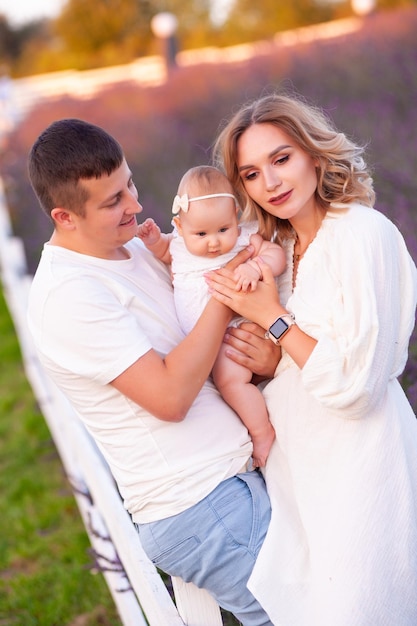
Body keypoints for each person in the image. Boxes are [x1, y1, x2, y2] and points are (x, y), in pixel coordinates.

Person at [26, 118, 278, 625]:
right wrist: (225, 295)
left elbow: (201, 342)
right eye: (113, 201)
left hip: (229, 481)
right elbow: (169, 396)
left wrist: (265, 352)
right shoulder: (70, 296)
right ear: (65, 216)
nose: (136, 206)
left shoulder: (135, 248)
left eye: (131, 184)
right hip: (200, 504)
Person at [206, 92, 417, 625]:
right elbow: (313, 357)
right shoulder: (281, 249)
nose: (270, 183)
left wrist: (273, 317)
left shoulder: (360, 234)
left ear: (315, 156)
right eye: (251, 174)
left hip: (363, 472)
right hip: (306, 480)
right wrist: (275, 361)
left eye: (281, 159)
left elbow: (356, 385)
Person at [137, 165, 286, 467]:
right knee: (219, 388)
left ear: (236, 217)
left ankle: (262, 432)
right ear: (180, 227)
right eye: (201, 233)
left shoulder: (245, 240)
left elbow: (276, 255)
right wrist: (153, 241)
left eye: (223, 229)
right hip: (206, 339)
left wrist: (254, 267)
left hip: (236, 329)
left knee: (231, 383)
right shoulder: (178, 245)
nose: (214, 242)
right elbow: (165, 252)